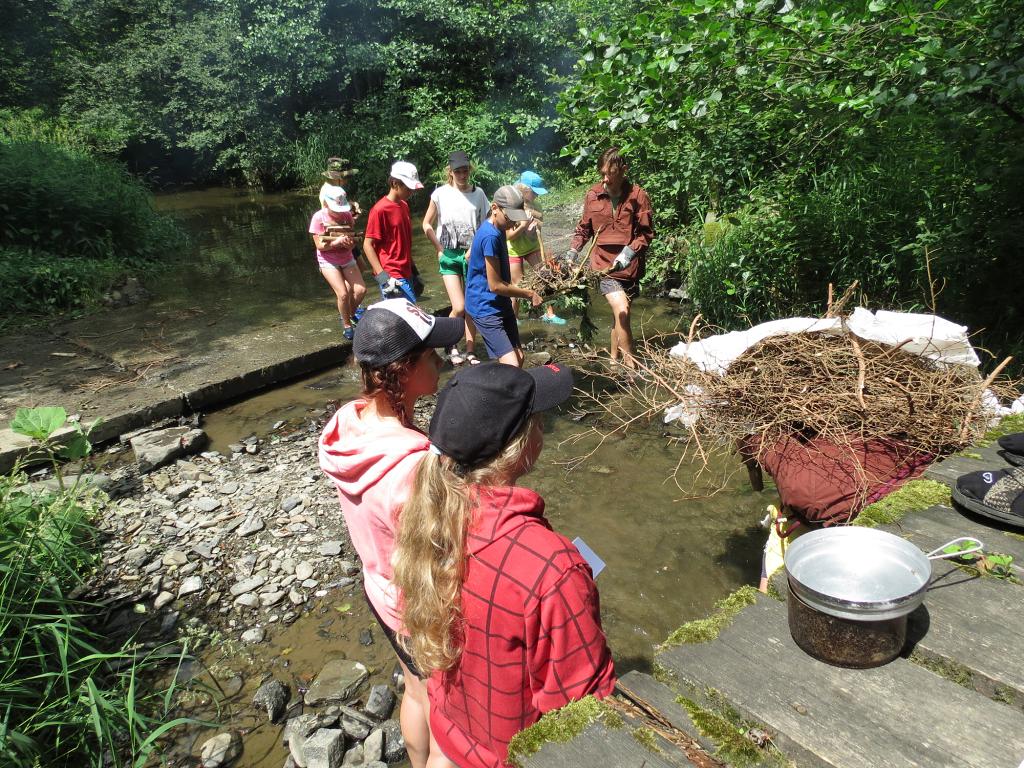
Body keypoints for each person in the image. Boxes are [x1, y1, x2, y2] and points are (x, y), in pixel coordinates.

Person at [392, 362, 617, 768]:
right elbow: (581, 713)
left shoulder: (427, 520)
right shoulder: (553, 568)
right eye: (537, 419)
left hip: (453, 735)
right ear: (520, 446)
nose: (543, 426)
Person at [319, 298, 466, 768]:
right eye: (432, 356)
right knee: (450, 716)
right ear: (404, 370)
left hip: (379, 591)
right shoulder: (415, 463)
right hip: (418, 606)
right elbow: (443, 552)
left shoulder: (347, 422)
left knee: (417, 692)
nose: (441, 363)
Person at [567, 147, 654, 370]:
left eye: (611, 173)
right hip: (603, 265)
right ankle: (631, 367)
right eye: (602, 173)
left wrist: (629, 253)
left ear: (624, 170)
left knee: (621, 316)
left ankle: (614, 360)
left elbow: (646, 233)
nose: (605, 179)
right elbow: (583, 229)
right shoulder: (593, 195)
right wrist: (573, 251)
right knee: (622, 310)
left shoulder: (638, 196)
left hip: (630, 267)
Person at [421, 151, 489, 366]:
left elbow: (487, 224)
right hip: (449, 256)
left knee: (471, 306)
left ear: (470, 170)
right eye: (458, 171)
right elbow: (426, 224)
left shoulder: (479, 194)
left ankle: (470, 350)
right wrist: (438, 248)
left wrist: (475, 248)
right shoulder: (439, 194)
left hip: (472, 255)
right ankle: (451, 345)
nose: (462, 175)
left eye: (465, 170)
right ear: (450, 172)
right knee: (458, 306)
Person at [464, 185, 543, 366]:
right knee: (511, 364)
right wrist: (529, 293)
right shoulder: (490, 236)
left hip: (500, 302)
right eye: (509, 218)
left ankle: (507, 390)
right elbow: (495, 286)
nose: (512, 223)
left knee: (519, 358)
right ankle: (492, 391)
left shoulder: (499, 228)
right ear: (494, 208)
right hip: (485, 306)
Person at [507, 171, 565, 326]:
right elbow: (509, 235)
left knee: (544, 276)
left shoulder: (536, 206)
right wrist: (523, 227)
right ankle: (514, 317)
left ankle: (549, 314)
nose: (537, 196)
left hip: (532, 246)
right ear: (524, 190)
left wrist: (532, 231)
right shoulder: (512, 205)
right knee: (518, 285)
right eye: (534, 193)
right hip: (513, 249)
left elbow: (538, 227)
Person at [309, 185, 366, 339]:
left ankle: (349, 315)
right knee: (343, 294)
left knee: (361, 290)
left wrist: (350, 244)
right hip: (328, 260)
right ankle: (347, 325)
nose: (340, 212)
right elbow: (320, 245)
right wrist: (336, 242)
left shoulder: (347, 216)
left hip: (346, 257)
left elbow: (352, 241)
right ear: (326, 204)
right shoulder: (318, 218)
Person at [364, 161, 424, 303]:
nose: (412, 191)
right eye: (408, 187)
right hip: (392, 274)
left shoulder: (404, 205)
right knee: (407, 319)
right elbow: (368, 245)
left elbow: (403, 242)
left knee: (408, 319)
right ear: (395, 183)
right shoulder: (380, 210)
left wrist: (415, 272)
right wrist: (383, 279)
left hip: (407, 271)